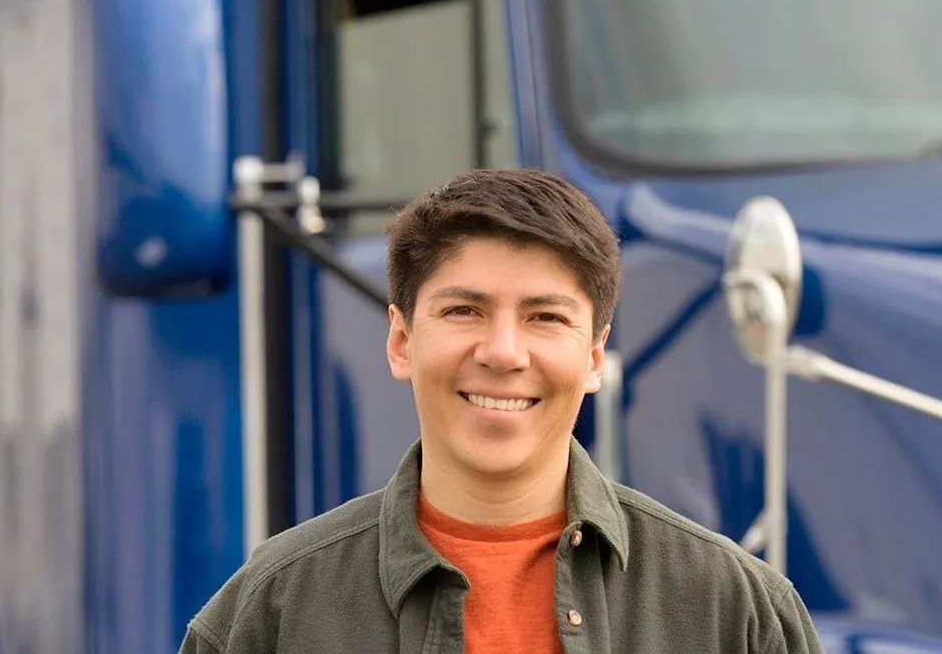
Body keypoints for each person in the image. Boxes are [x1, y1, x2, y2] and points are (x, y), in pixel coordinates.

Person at [181, 169, 821, 653]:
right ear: (402, 341)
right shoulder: (271, 612)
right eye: (464, 311)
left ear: (595, 356)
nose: (503, 352)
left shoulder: (735, 613)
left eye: (545, 317)